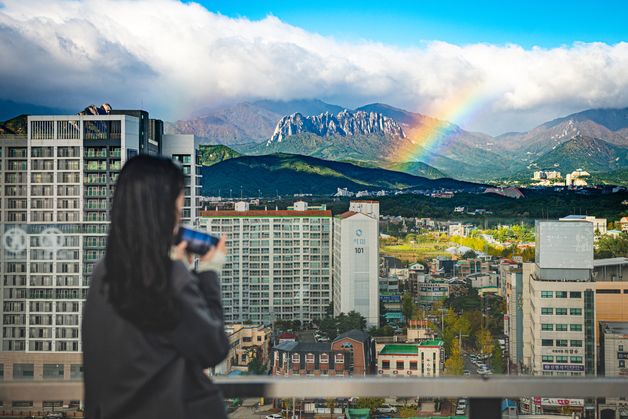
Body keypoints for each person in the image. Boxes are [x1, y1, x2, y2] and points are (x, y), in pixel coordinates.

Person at [83, 155, 230, 419]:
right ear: (165, 209)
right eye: (179, 206)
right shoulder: (168, 275)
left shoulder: (102, 272)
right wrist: (209, 272)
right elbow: (214, 347)